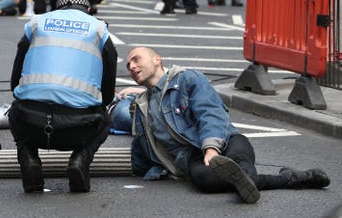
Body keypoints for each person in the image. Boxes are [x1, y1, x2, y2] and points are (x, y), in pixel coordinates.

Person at [126, 46, 331, 204]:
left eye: (136, 60)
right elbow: (142, 146)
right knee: (206, 180)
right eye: (128, 66)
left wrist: (212, 148)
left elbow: (210, 112)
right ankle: (290, 179)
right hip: (190, 157)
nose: (132, 67)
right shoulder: (142, 105)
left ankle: (283, 179)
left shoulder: (188, 79)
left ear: (157, 59)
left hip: (225, 140)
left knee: (241, 157)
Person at [8, 0, 118, 193]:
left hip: (31, 123)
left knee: (14, 111)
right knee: (104, 119)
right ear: (88, 8)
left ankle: (30, 160)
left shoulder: (36, 23)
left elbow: (15, 80)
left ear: (57, 6)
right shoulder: (98, 29)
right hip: (78, 128)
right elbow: (109, 83)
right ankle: (80, 160)